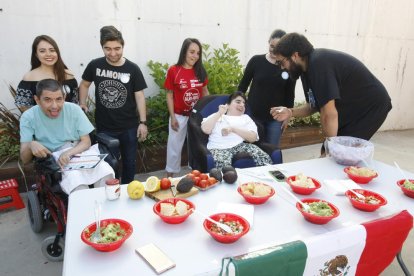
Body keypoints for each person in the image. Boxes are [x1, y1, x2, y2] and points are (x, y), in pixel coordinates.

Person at [270, 32, 392, 150]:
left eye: (281, 62)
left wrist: (330, 149)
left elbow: (329, 114)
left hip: (369, 108)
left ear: (295, 56)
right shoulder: (305, 70)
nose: (281, 67)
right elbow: (313, 105)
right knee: (331, 151)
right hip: (352, 109)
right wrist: (290, 112)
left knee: (340, 152)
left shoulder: (319, 65)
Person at [19, 79, 115, 194]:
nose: (55, 106)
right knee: (76, 180)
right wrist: (31, 144)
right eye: (47, 100)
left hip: (79, 151)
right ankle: (84, 209)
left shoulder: (74, 109)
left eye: (59, 99)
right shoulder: (28, 117)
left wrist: (69, 153)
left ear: (64, 97)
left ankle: (106, 208)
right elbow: (25, 159)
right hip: (54, 158)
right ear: (37, 100)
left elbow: (86, 141)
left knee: (105, 171)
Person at [79, 26, 148, 183]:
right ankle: (112, 191)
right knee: (109, 164)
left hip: (129, 127)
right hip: (105, 127)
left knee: (130, 163)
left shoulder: (132, 69)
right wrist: (82, 103)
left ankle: (127, 190)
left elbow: (139, 96)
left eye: (117, 48)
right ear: (102, 47)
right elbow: (84, 84)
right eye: (107, 49)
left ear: (123, 46)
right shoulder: (95, 65)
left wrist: (143, 122)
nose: (113, 53)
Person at [238, 29, 296, 146]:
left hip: (275, 118)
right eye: (272, 46)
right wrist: (238, 105)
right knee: (252, 149)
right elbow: (242, 87)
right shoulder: (256, 61)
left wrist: (288, 116)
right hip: (253, 115)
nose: (274, 50)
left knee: (272, 151)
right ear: (268, 42)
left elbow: (290, 94)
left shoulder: (288, 67)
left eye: (278, 47)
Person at [165, 38, 209, 177]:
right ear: (184, 51)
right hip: (178, 116)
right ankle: (169, 177)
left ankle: (195, 175)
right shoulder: (174, 70)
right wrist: (172, 117)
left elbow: (205, 92)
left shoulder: (200, 71)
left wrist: (209, 113)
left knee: (196, 147)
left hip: (196, 116)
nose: (195, 56)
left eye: (197, 53)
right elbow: (169, 95)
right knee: (174, 147)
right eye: (192, 52)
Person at [201, 92, 272, 169]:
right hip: (218, 148)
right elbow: (206, 130)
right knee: (225, 169)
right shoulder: (217, 115)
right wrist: (219, 113)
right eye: (238, 102)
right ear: (227, 105)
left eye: (243, 103)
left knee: (263, 157)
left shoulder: (246, 118)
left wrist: (233, 129)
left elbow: (253, 138)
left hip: (240, 145)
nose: (242, 105)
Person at [15, 35, 78, 112]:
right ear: (36, 55)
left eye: (52, 50)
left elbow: (74, 105)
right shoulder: (29, 78)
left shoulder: (68, 76)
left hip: (67, 122)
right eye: (42, 51)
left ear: (57, 52)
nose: (48, 54)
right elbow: (24, 108)